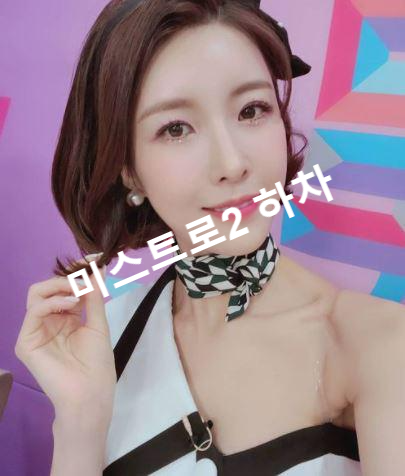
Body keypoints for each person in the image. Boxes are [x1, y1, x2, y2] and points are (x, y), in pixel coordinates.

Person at [14, 0, 405, 475]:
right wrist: (79, 422)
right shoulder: (105, 335)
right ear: (129, 171)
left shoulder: (376, 344)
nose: (232, 164)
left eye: (252, 110)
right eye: (176, 128)